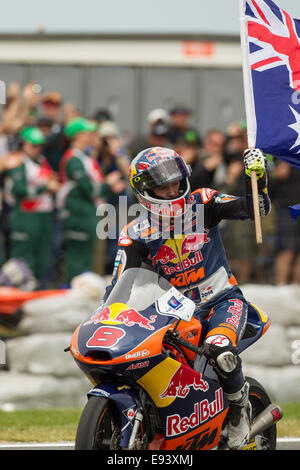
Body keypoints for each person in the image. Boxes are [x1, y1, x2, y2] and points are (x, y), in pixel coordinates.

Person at [103, 146, 271, 450]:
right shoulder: (135, 233)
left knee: (219, 347)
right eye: (162, 185)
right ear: (144, 190)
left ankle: (238, 412)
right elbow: (119, 285)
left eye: (176, 182)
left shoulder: (204, 201)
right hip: (174, 313)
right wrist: (105, 316)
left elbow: (256, 208)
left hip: (223, 302)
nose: (172, 190)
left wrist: (255, 177)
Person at [4, 126, 59, 286]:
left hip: (44, 215)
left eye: (39, 145)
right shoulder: (18, 162)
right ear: (24, 144)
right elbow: (17, 189)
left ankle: (38, 291)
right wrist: (45, 188)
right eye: (33, 145)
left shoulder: (42, 161)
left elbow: (51, 180)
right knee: (23, 259)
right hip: (25, 216)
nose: (37, 149)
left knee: (43, 257)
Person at [58, 117, 106, 284]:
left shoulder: (84, 157)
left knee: (86, 258)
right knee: (76, 259)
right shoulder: (74, 159)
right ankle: (71, 292)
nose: (92, 135)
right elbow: (88, 189)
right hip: (78, 213)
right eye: (88, 132)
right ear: (78, 136)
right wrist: (109, 186)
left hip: (87, 212)